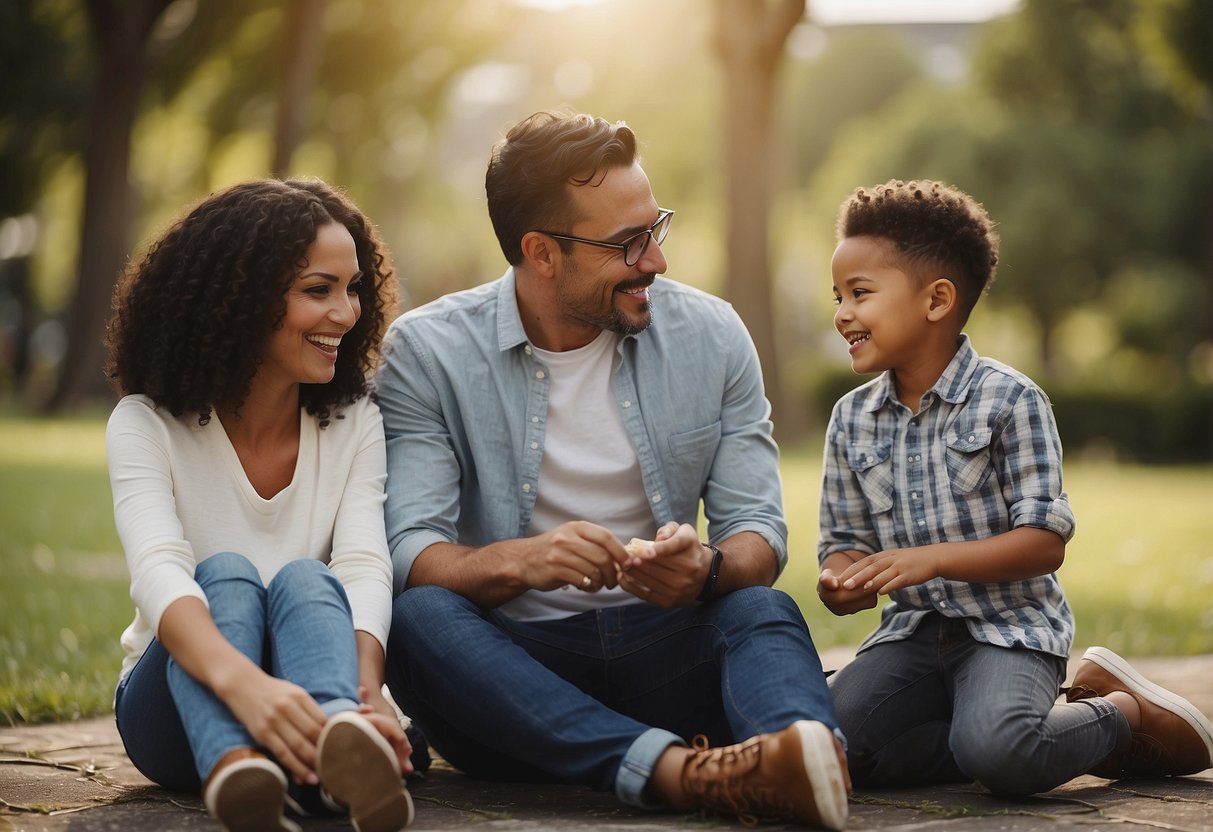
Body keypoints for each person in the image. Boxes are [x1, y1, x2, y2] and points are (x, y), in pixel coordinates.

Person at [375, 111, 850, 829]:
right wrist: (523, 562)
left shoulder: (712, 334)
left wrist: (708, 570)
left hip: (667, 654)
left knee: (760, 610)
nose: (655, 261)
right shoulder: (427, 352)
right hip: (512, 685)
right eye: (628, 244)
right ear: (541, 252)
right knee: (417, 618)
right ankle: (685, 773)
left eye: (654, 228)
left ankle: (803, 760)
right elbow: (410, 548)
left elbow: (756, 530)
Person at [816, 179, 1213, 795]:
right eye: (838, 295)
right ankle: (988, 735)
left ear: (937, 299)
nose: (841, 312)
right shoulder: (851, 418)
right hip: (912, 636)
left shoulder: (1011, 400)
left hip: (1009, 631)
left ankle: (1121, 715)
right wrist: (841, 580)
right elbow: (843, 540)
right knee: (830, 749)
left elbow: (1044, 542)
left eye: (859, 293)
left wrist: (931, 560)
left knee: (1003, 754)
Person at [105, 178, 416, 832]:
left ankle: (338, 746)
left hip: (311, 696)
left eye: (353, 288)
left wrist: (368, 698)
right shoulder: (145, 424)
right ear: (239, 301)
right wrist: (247, 687)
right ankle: (233, 768)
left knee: (309, 578)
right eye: (317, 290)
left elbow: (363, 565)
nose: (347, 312)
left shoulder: (354, 423)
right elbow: (158, 571)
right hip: (173, 713)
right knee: (224, 574)